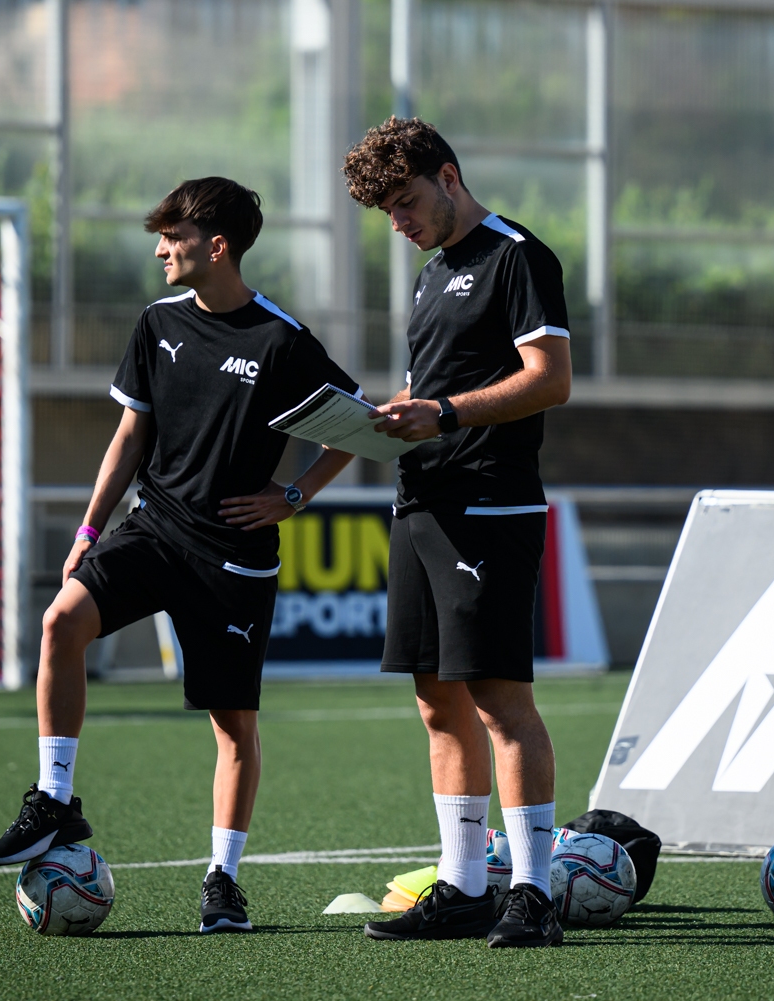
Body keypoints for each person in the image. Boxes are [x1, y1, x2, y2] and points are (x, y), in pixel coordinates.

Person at [0, 177, 362, 935]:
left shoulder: (281, 339)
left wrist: (293, 495)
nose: (160, 250)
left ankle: (223, 880)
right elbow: (130, 437)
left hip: (235, 557)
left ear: (216, 247)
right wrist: (88, 532)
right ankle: (54, 800)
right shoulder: (157, 322)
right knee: (60, 623)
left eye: (172, 237)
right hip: (154, 529)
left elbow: (355, 426)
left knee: (233, 727)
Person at [342, 118, 573, 948]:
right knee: (436, 699)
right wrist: (392, 416)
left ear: (448, 176)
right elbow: (433, 386)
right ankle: (464, 886)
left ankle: (534, 893)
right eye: (387, 213)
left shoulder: (518, 256)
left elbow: (551, 379)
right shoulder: (430, 275)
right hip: (422, 503)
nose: (399, 223)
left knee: (501, 701)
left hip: (490, 504)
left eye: (406, 202)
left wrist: (440, 412)